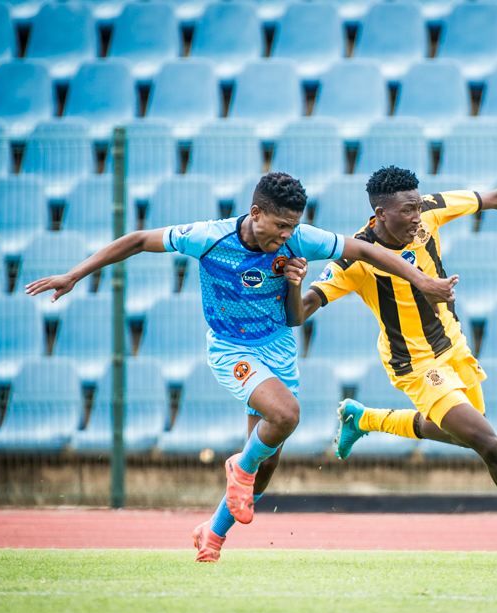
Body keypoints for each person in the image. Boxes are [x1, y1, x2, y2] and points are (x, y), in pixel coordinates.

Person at [25, 172, 458, 562]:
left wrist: (423, 281)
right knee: (285, 415)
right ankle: (239, 467)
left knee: (264, 469)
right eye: (281, 225)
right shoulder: (208, 237)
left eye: (293, 226)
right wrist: (74, 275)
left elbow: (364, 249)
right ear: (255, 214)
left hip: (278, 349)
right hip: (233, 350)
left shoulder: (299, 239)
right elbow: (138, 240)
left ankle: (212, 533)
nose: (287, 236)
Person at [296, 146, 497, 567]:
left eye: (417, 206)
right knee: (491, 445)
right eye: (407, 210)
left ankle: (366, 419)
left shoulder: (429, 211)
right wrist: (289, 282)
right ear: (380, 213)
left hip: (454, 349)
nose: (417, 216)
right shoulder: (353, 258)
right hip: (416, 365)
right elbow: (302, 310)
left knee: (465, 435)